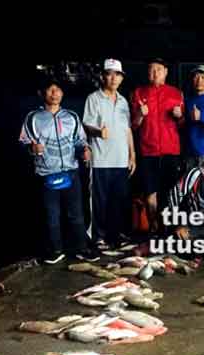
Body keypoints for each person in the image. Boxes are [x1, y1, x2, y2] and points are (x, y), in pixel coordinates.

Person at [19, 78, 99, 264]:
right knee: (51, 215)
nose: (54, 93)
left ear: (62, 93)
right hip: (47, 173)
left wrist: (85, 150)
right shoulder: (33, 118)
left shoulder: (71, 117)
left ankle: (81, 248)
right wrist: (32, 148)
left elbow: (80, 140)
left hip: (71, 171)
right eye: (50, 90)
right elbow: (23, 142)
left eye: (58, 90)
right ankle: (55, 250)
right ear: (42, 93)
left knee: (76, 213)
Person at [83, 58, 136, 250]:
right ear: (103, 76)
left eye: (117, 74)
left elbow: (128, 129)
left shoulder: (123, 101)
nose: (113, 78)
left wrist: (132, 155)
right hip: (100, 159)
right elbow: (86, 125)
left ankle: (116, 236)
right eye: (109, 74)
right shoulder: (93, 98)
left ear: (121, 78)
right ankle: (98, 237)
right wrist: (98, 132)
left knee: (118, 201)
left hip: (121, 159)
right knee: (99, 201)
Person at [131, 58, 185, 234]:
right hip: (148, 150)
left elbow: (183, 124)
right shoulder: (139, 93)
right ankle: (153, 227)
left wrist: (179, 116)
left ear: (166, 72)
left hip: (171, 150)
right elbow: (133, 125)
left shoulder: (176, 93)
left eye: (159, 70)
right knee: (150, 191)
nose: (155, 73)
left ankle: (167, 228)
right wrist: (140, 114)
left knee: (169, 192)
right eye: (151, 70)